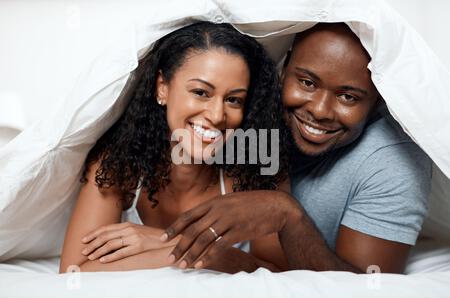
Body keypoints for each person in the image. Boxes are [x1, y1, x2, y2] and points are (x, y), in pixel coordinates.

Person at [162, 23, 432, 274]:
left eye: (348, 97)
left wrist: (289, 216)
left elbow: (368, 291)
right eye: (307, 83)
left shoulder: (392, 164)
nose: (319, 110)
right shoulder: (251, 117)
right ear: (284, 67)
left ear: (377, 102)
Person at [59, 22, 291, 273]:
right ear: (163, 88)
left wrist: (164, 241)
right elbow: (74, 273)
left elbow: (277, 274)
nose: (217, 115)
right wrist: (202, 252)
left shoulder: (258, 171)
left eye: (233, 100)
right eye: (201, 92)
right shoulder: (118, 165)